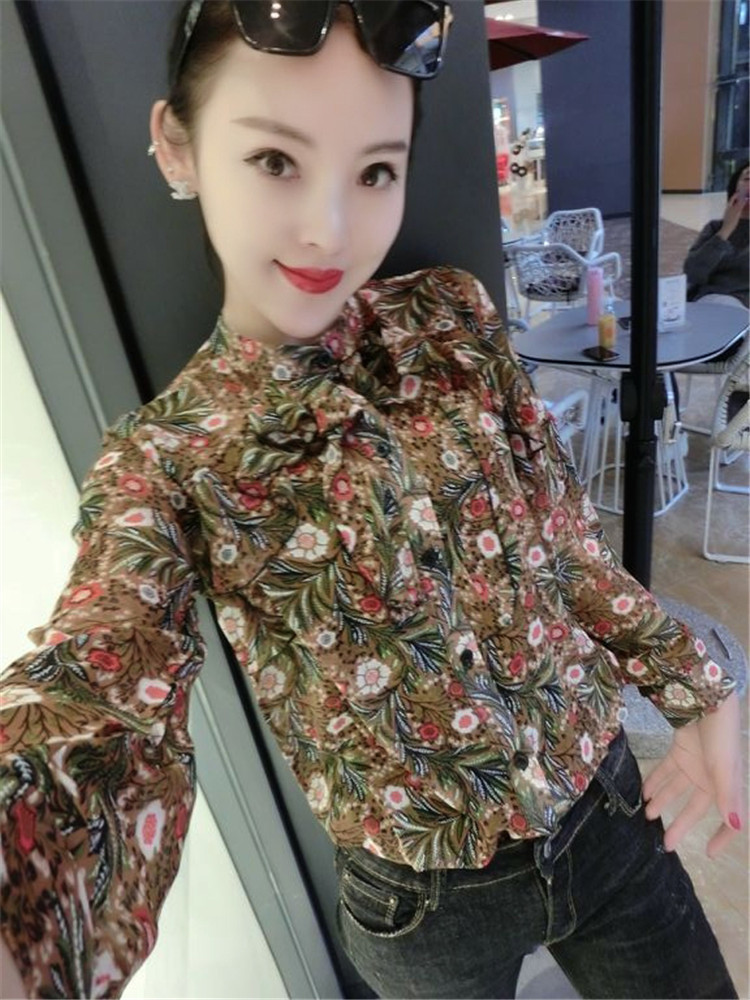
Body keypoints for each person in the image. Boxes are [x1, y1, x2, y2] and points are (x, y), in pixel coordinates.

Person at [0, 3, 745, 998]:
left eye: (375, 171)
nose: (331, 229)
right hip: (426, 906)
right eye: (275, 160)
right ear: (177, 146)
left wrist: (699, 684)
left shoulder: (453, 319)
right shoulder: (169, 462)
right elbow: (99, 686)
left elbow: (562, 548)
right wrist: (24, 909)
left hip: (605, 809)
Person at [684, 159, 749, 310]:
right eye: (747, 178)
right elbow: (692, 273)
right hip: (717, 300)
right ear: (735, 188)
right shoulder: (715, 228)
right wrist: (726, 230)